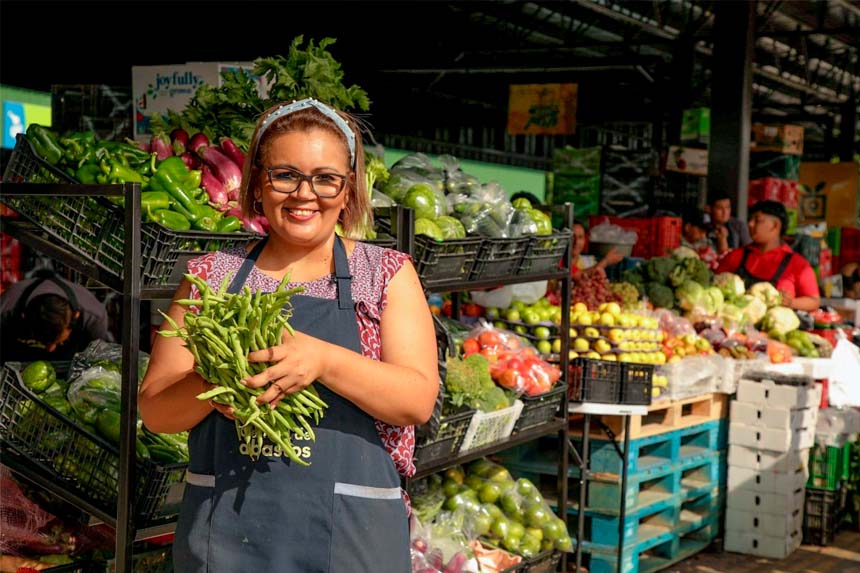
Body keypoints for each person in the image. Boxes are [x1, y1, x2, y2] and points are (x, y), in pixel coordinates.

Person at [138, 98, 439, 572]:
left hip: (351, 542)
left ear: (347, 190)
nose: (304, 194)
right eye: (285, 175)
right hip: (226, 544)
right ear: (258, 184)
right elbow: (155, 410)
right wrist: (220, 380)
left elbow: (417, 400)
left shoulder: (384, 274)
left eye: (325, 178)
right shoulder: (211, 278)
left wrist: (321, 359)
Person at [716, 200, 820, 312]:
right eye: (750, 220)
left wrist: (791, 303)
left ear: (775, 225)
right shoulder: (735, 256)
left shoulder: (798, 264)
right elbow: (714, 286)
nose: (750, 224)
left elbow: (814, 301)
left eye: (757, 220)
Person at [0, 268, 112, 362]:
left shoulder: (94, 316)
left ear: (75, 316)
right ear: (24, 316)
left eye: (59, 341)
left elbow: (97, 360)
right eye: (41, 341)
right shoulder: (5, 309)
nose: (50, 349)